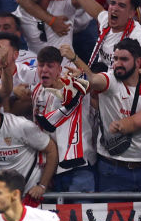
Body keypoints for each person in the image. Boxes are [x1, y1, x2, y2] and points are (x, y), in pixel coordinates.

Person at [67, 38, 141, 192]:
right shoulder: (110, 80)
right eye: (115, 59)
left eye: (124, 59)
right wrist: (74, 58)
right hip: (112, 170)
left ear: (138, 62)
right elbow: (93, 79)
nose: (117, 63)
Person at [0, 87, 57, 202]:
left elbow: (52, 150)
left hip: (29, 197)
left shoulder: (21, 126)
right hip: (1, 199)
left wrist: (42, 186)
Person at [30, 47, 96, 193]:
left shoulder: (76, 84)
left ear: (60, 68)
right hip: (52, 169)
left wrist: (74, 58)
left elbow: (93, 80)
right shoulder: (36, 91)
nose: (44, 70)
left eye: (50, 66)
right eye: (41, 65)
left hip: (80, 167)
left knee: (80, 215)